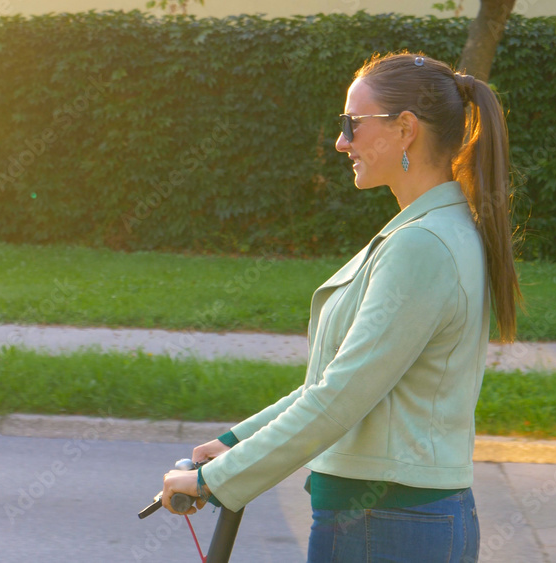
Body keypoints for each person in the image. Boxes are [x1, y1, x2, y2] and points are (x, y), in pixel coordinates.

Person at [161, 52, 521, 562]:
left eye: (352, 124)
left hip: (383, 525)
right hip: (393, 522)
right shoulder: (431, 231)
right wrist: (237, 440)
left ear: (405, 130)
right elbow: (338, 382)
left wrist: (216, 481)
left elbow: (340, 397)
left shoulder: (423, 246)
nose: (341, 141)